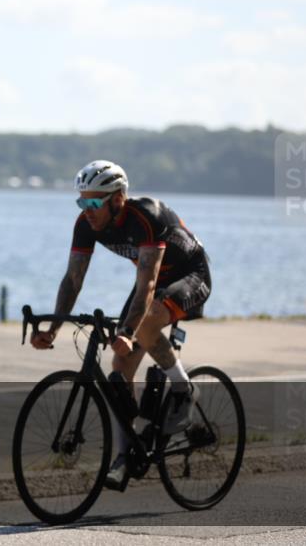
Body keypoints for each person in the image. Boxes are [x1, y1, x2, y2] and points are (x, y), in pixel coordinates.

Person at [31, 160, 211, 491]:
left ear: (118, 199)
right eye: (82, 202)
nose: (87, 210)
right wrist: (53, 328)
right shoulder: (86, 225)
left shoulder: (146, 217)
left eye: (94, 202)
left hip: (189, 274)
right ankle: (125, 454)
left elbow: (147, 286)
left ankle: (184, 388)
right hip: (152, 280)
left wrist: (127, 333)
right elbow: (73, 280)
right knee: (120, 363)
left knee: (144, 324)